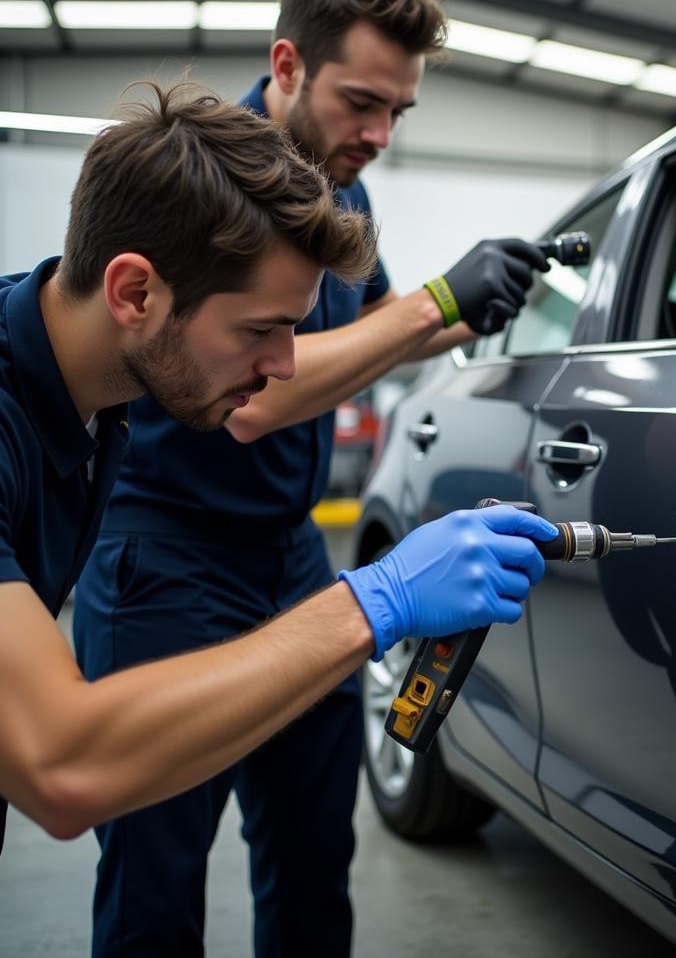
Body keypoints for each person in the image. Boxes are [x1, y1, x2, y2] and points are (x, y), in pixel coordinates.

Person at [72, 0, 549, 958]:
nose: (376, 134)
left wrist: (477, 307)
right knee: (156, 879)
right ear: (287, 66)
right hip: (168, 559)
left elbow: (366, 337)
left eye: (397, 114)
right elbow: (249, 403)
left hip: (288, 556)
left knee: (312, 860)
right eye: (360, 101)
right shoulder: (207, 183)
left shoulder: (348, 194)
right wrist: (435, 303)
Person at [0, 83, 554, 876]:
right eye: (262, 330)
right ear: (135, 293)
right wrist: (378, 599)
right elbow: (61, 765)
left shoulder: (98, 384)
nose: (288, 367)